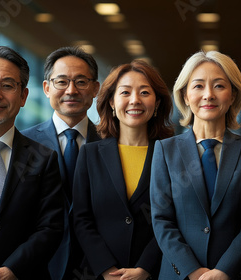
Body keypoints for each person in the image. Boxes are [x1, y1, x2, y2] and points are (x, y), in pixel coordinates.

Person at [151, 50, 241, 280]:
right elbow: (161, 219)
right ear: (185, 95)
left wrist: (224, 270)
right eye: (198, 86)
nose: (208, 95)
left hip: (235, 274)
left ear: (233, 95)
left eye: (219, 86)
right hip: (180, 274)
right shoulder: (165, 151)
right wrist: (193, 271)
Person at [0, 46, 63, 279]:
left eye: (7, 85)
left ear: (23, 96)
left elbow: (50, 227)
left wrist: (12, 270)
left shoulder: (44, 158)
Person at [73, 60, 173, 280]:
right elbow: (81, 219)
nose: (135, 100)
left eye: (144, 92)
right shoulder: (90, 154)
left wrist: (145, 268)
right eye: (125, 92)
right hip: (96, 273)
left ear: (156, 103)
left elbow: (174, 219)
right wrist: (106, 268)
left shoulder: (172, 154)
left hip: (154, 273)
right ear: (111, 102)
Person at [21, 46, 101, 279]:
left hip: (97, 266)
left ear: (95, 88)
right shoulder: (21, 144)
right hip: (37, 267)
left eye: (81, 82)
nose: (71, 90)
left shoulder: (112, 144)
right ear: (46, 88)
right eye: (62, 82)